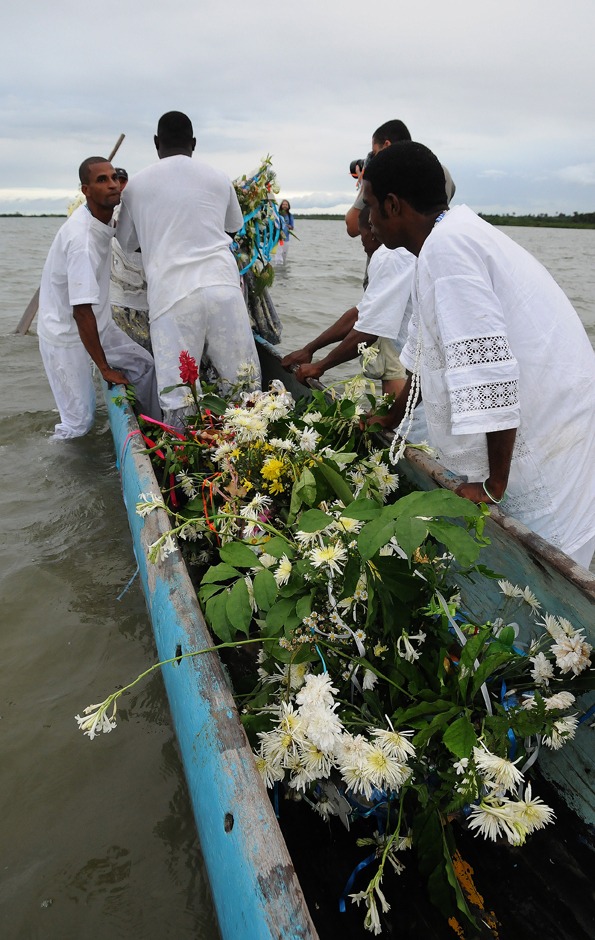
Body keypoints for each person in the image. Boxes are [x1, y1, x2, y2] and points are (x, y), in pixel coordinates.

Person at [362, 141, 595, 567]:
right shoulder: (443, 240)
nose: (368, 220)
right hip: (556, 416)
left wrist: (494, 485)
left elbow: (490, 374)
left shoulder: (448, 249)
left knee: (538, 584)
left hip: (550, 437)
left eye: (372, 206)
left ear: (394, 206)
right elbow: (421, 358)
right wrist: (390, 419)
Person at [116, 111, 261, 424]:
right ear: (194, 143)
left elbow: (126, 243)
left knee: (179, 395)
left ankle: (184, 461)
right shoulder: (218, 177)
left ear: (157, 143)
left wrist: (161, 242)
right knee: (243, 385)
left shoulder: (136, 185)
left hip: (173, 295)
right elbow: (232, 228)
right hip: (224, 287)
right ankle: (247, 450)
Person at [37, 157, 160, 440]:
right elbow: (81, 312)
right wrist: (104, 368)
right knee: (78, 424)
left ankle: (154, 431)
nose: (113, 184)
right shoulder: (81, 241)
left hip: (99, 325)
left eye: (114, 177)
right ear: (86, 190)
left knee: (144, 367)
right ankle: (54, 467)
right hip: (66, 336)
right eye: (102, 180)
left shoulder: (101, 219)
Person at [281, 209, 427, 441]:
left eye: (360, 234)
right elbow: (359, 314)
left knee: (417, 431)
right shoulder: (397, 254)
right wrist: (310, 349)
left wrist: (321, 366)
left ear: (372, 232)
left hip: (422, 373)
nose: (362, 243)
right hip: (419, 371)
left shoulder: (389, 256)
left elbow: (368, 330)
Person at [345, 119, 455, 238]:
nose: (375, 159)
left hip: (392, 253)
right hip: (429, 245)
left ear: (387, 145)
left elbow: (352, 226)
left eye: (375, 153)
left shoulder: (386, 175)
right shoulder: (440, 172)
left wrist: (364, 182)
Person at [110, 167, 151, 351]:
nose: (119, 185)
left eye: (123, 181)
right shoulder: (107, 212)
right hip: (119, 294)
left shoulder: (140, 208)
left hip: (144, 295)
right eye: (115, 181)